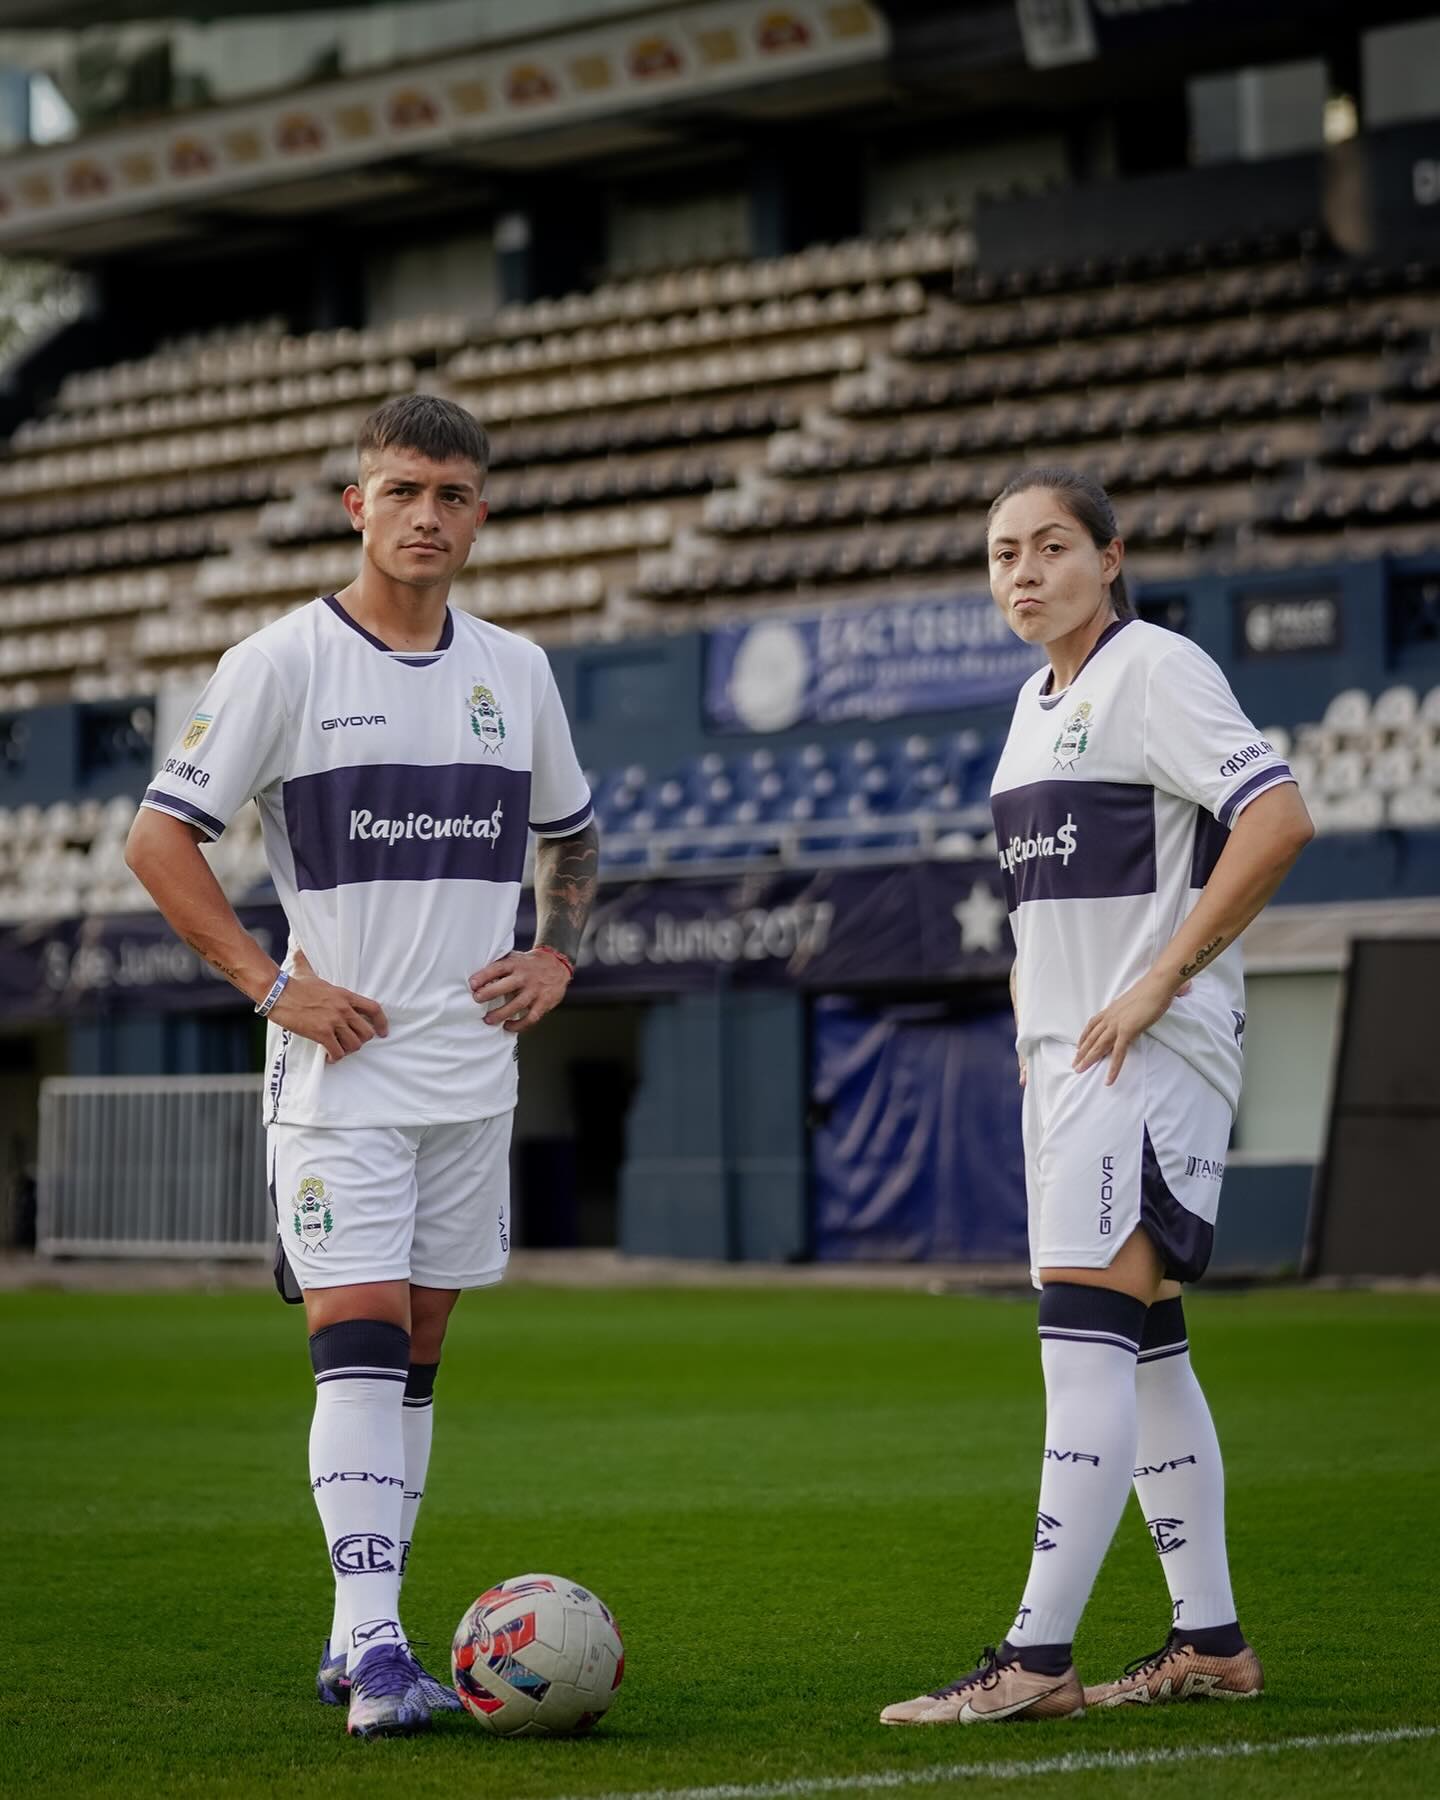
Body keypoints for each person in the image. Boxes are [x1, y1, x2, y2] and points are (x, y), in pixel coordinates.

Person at [126, 393, 599, 1740]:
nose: (426, 516)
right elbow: (159, 840)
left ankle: (357, 1641)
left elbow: (572, 837)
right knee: (361, 1334)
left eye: (450, 494)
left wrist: (556, 954)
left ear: (481, 513)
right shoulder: (282, 662)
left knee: (420, 1349)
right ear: (358, 504)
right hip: (340, 1078)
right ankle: (381, 1651)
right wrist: (274, 985)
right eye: (402, 491)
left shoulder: (518, 671)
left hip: (472, 1076)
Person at [881, 466, 1313, 1727]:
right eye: (1003, 553)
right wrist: (1036, 1005)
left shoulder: (1155, 669)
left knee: (1080, 1342)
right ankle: (1211, 1641)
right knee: (1144, 1347)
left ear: (1110, 558)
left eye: (1053, 546)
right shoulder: (1032, 708)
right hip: (1073, 1062)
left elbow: (1278, 819)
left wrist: (1160, 980)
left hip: (1144, 1056)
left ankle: (1036, 1659)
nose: (1024, 572)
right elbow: (1047, 905)